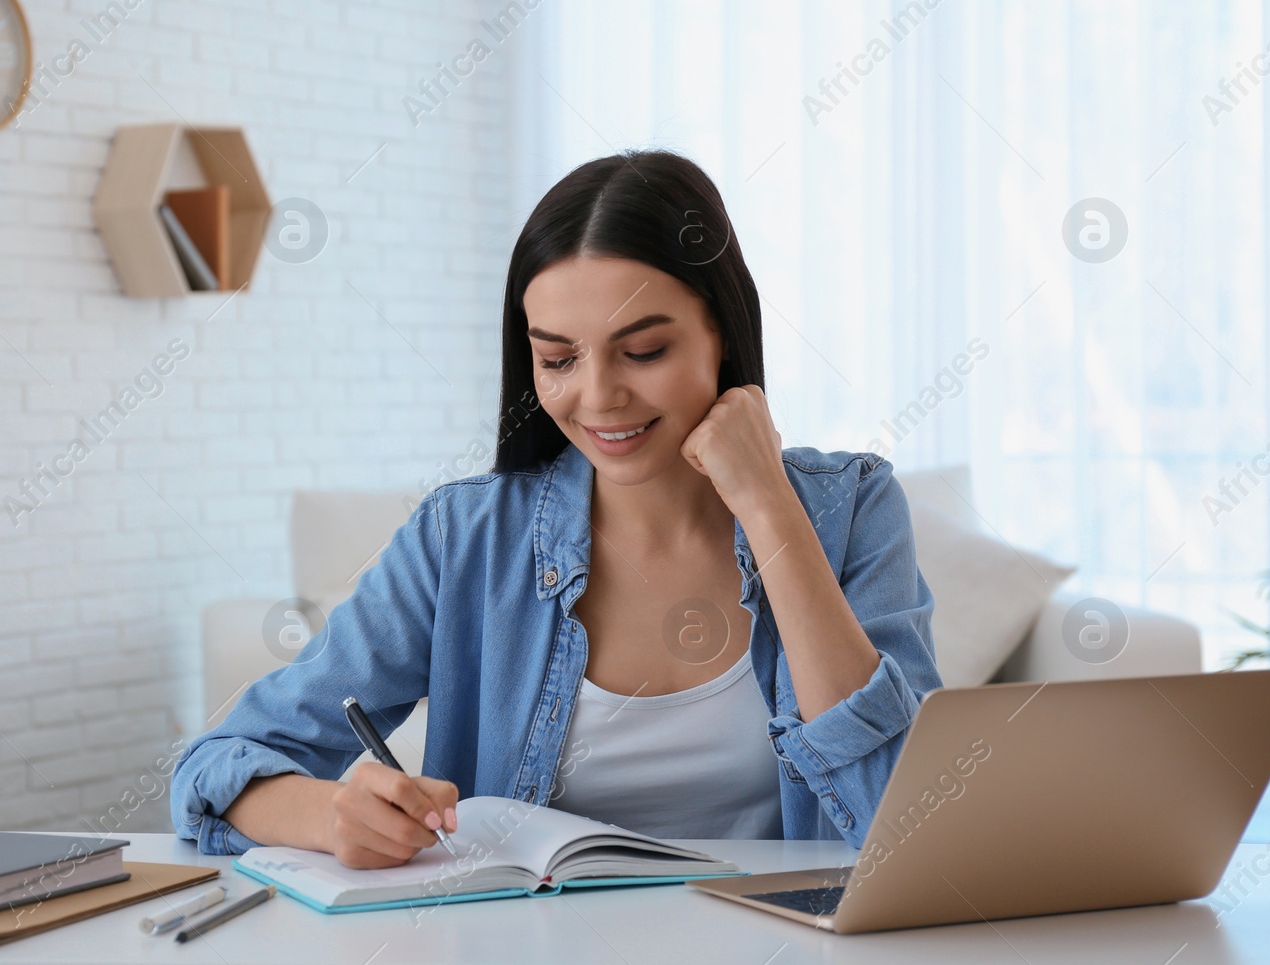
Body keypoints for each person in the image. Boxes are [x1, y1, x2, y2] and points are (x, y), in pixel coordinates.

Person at [171, 150, 942, 868]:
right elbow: (213, 764)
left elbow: (902, 822)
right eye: (558, 358)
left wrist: (769, 505)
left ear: (722, 332)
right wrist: (333, 812)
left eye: (643, 351)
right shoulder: (464, 539)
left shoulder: (852, 509)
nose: (600, 395)